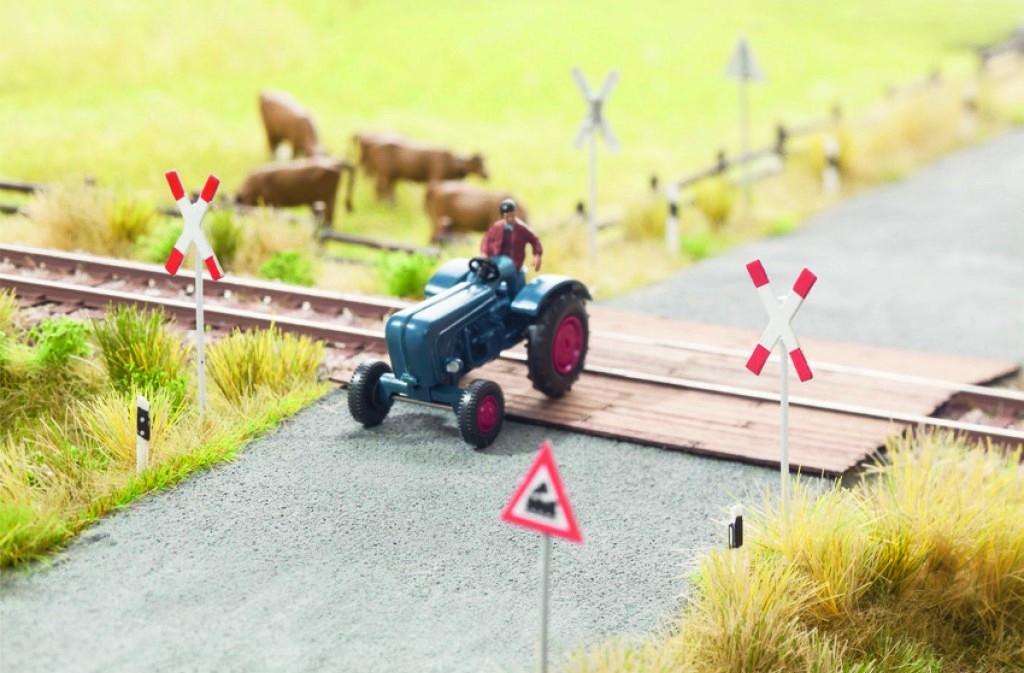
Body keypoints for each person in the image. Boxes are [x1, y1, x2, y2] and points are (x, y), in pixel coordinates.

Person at [479, 199, 542, 272]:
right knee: (479, 268)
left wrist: (537, 255)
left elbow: (535, 240)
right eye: (507, 216)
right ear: (503, 216)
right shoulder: (496, 227)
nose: (510, 218)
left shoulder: (522, 229)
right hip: (496, 258)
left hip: (513, 262)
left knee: (498, 270)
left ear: (515, 214)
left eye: (512, 215)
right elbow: (486, 240)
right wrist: (485, 253)